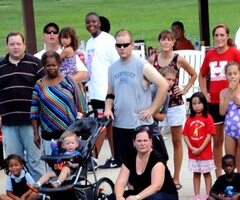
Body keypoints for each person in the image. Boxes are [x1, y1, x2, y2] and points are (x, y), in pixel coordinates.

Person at [105, 30, 169, 169]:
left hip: (140, 125)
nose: (122, 48)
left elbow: (163, 84)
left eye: (125, 45)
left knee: (145, 164)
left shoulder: (142, 65)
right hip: (120, 125)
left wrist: (152, 109)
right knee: (126, 165)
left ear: (132, 45)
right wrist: (108, 108)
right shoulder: (112, 68)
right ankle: (131, 191)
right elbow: (110, 93)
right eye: (119, 45)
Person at [199, 23, 240, 177]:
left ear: (228, 36)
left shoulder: (234, 52)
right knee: (217, 141)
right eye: (216, 35)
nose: (219, 38)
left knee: (237, 141)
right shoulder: (210, 54)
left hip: (234, 103)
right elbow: (201, 75)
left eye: (222, 35)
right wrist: (205, 93)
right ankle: (219, 175)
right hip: (216, 102)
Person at [149, 30, 198, 189]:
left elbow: (193, 74)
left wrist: (184, 90)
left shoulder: (178, 59)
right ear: (159, 42)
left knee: (177, 140)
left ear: (173, 43)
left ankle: (176, 177)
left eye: (169, 40)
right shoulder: (153, 59)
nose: (165, 43)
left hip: (175, 103)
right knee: (154, 139)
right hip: (157, 103)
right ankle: (159, 175)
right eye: (163, 40)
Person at [0, 32, 45, 181]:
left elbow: (44, 90)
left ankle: (41, 194)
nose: (15, 47)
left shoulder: (35, 63)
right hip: (9, 123)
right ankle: (18, 196)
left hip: (31, 122)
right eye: (12, 44)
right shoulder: (1, 66)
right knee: (14, 162)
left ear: (24, 44)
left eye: (18, 44)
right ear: (7, 46)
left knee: (35, 161)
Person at [104, 126, 178, 200]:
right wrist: (119, 197)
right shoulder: (130, 157)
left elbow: (156, 186)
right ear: (134, 142)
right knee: (112, 198)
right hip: (140, 194)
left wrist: (137, 197)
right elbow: (121, 182)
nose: (142, 144)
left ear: (150, 142)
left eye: (145, 141)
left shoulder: (157, 159)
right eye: (139, 141)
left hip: (163, 194)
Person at [30, 51, 87, 155]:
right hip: (49, 135)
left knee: (72, 166)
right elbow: (34, 111)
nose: (51, 68)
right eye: (48, 65)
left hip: (70, 135)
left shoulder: (70, 80)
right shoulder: (39, 85)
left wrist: (79, 128)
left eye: (54, 65)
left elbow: (82, 106)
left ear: (59, 65)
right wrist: (35, 134)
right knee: (54, 166)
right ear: (44, 66)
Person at [84, 12, 119, 168]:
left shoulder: (108, 40)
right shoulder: (90, 43)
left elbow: (116, 63)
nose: (91, 24)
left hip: (106, 90)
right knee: (108, 125)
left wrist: (114, 89)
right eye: (88, 22)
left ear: (99, 23)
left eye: (94, 21)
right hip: (94, 89)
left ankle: (93, 159)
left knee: (100, 125)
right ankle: (115, 157)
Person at [182, 92, 216, 200]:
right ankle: (197, 195)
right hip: (193, 153)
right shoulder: (189, 119)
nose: (197, 106)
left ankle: (208, 195)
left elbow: (209, 135)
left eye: (199, 103)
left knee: (206, 173)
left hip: (205, 153)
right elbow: (185, 135)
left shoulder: (208, 118)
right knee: (196, 173)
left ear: (204, 104)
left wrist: (200, 148)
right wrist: (191, 147)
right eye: (194, 103)